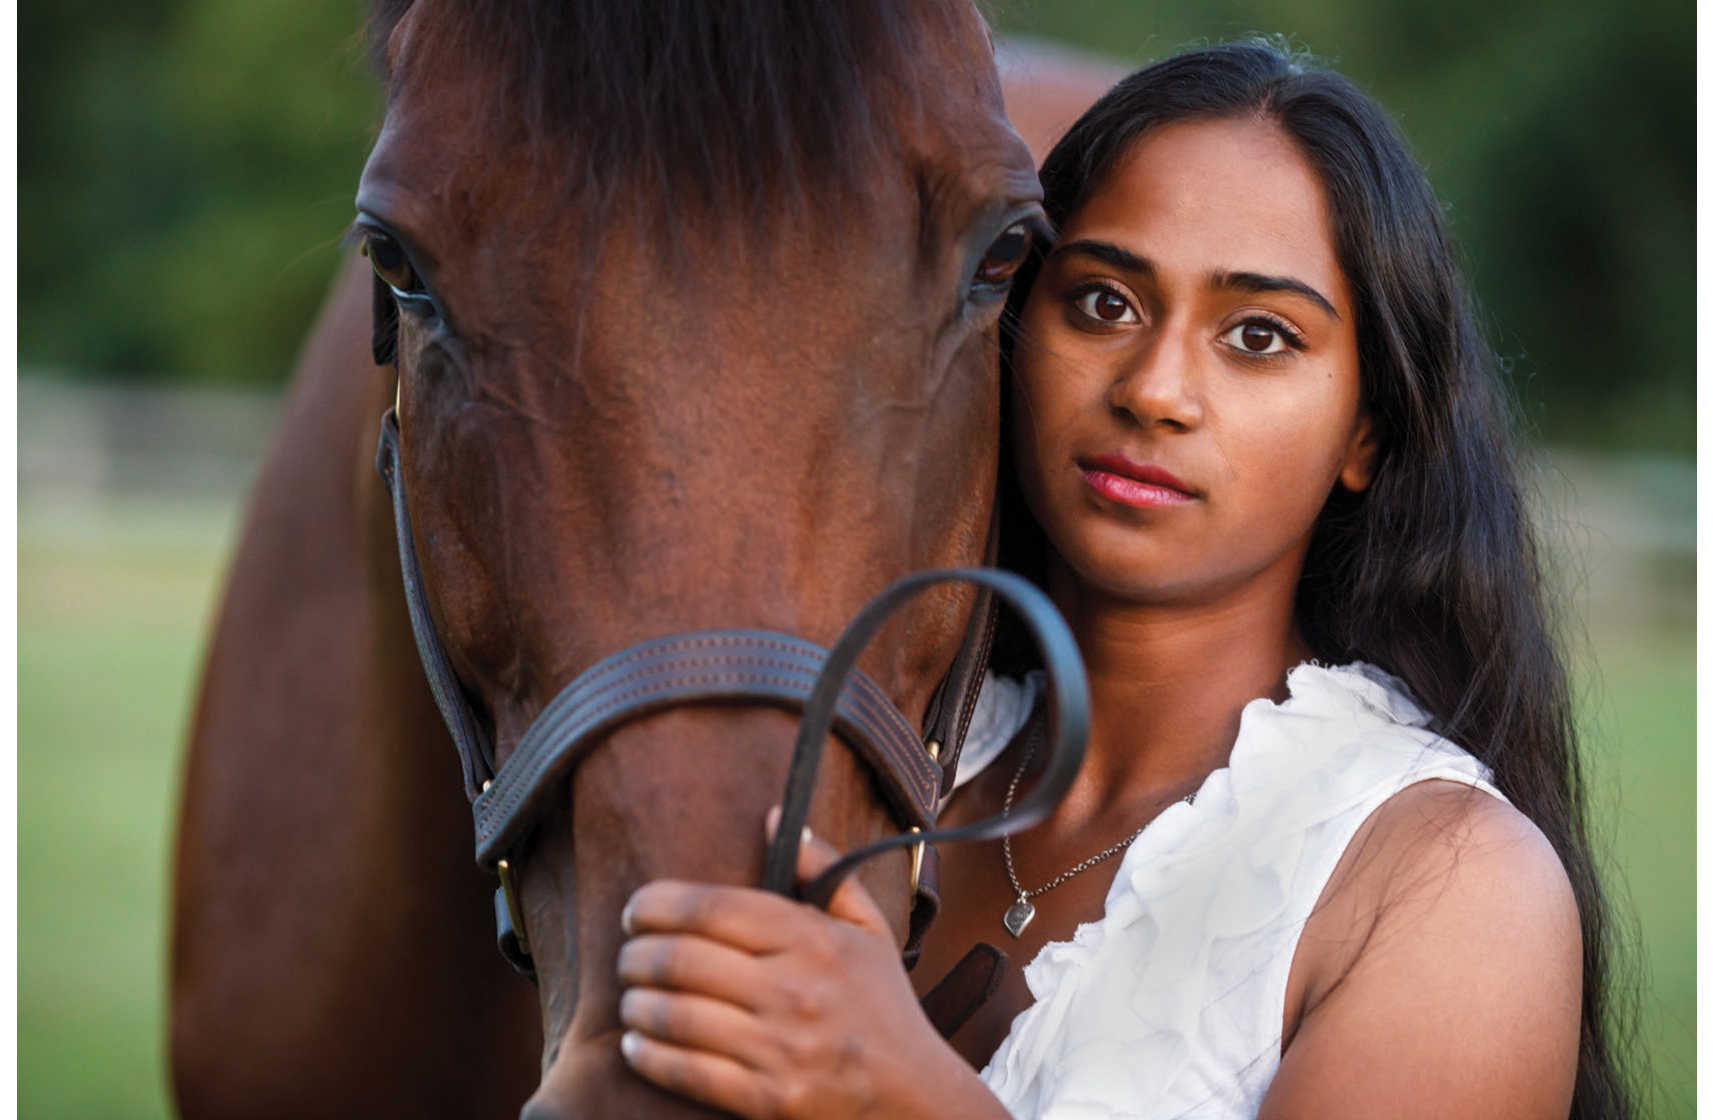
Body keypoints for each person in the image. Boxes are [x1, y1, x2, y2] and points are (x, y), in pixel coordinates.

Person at [610, 39, 1633, 1120]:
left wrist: (902, 1098)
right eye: (1102, 303)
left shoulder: (1442, 881)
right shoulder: (871, 763)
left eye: (1256, 335)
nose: (1155, 390)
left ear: (1366, 433)